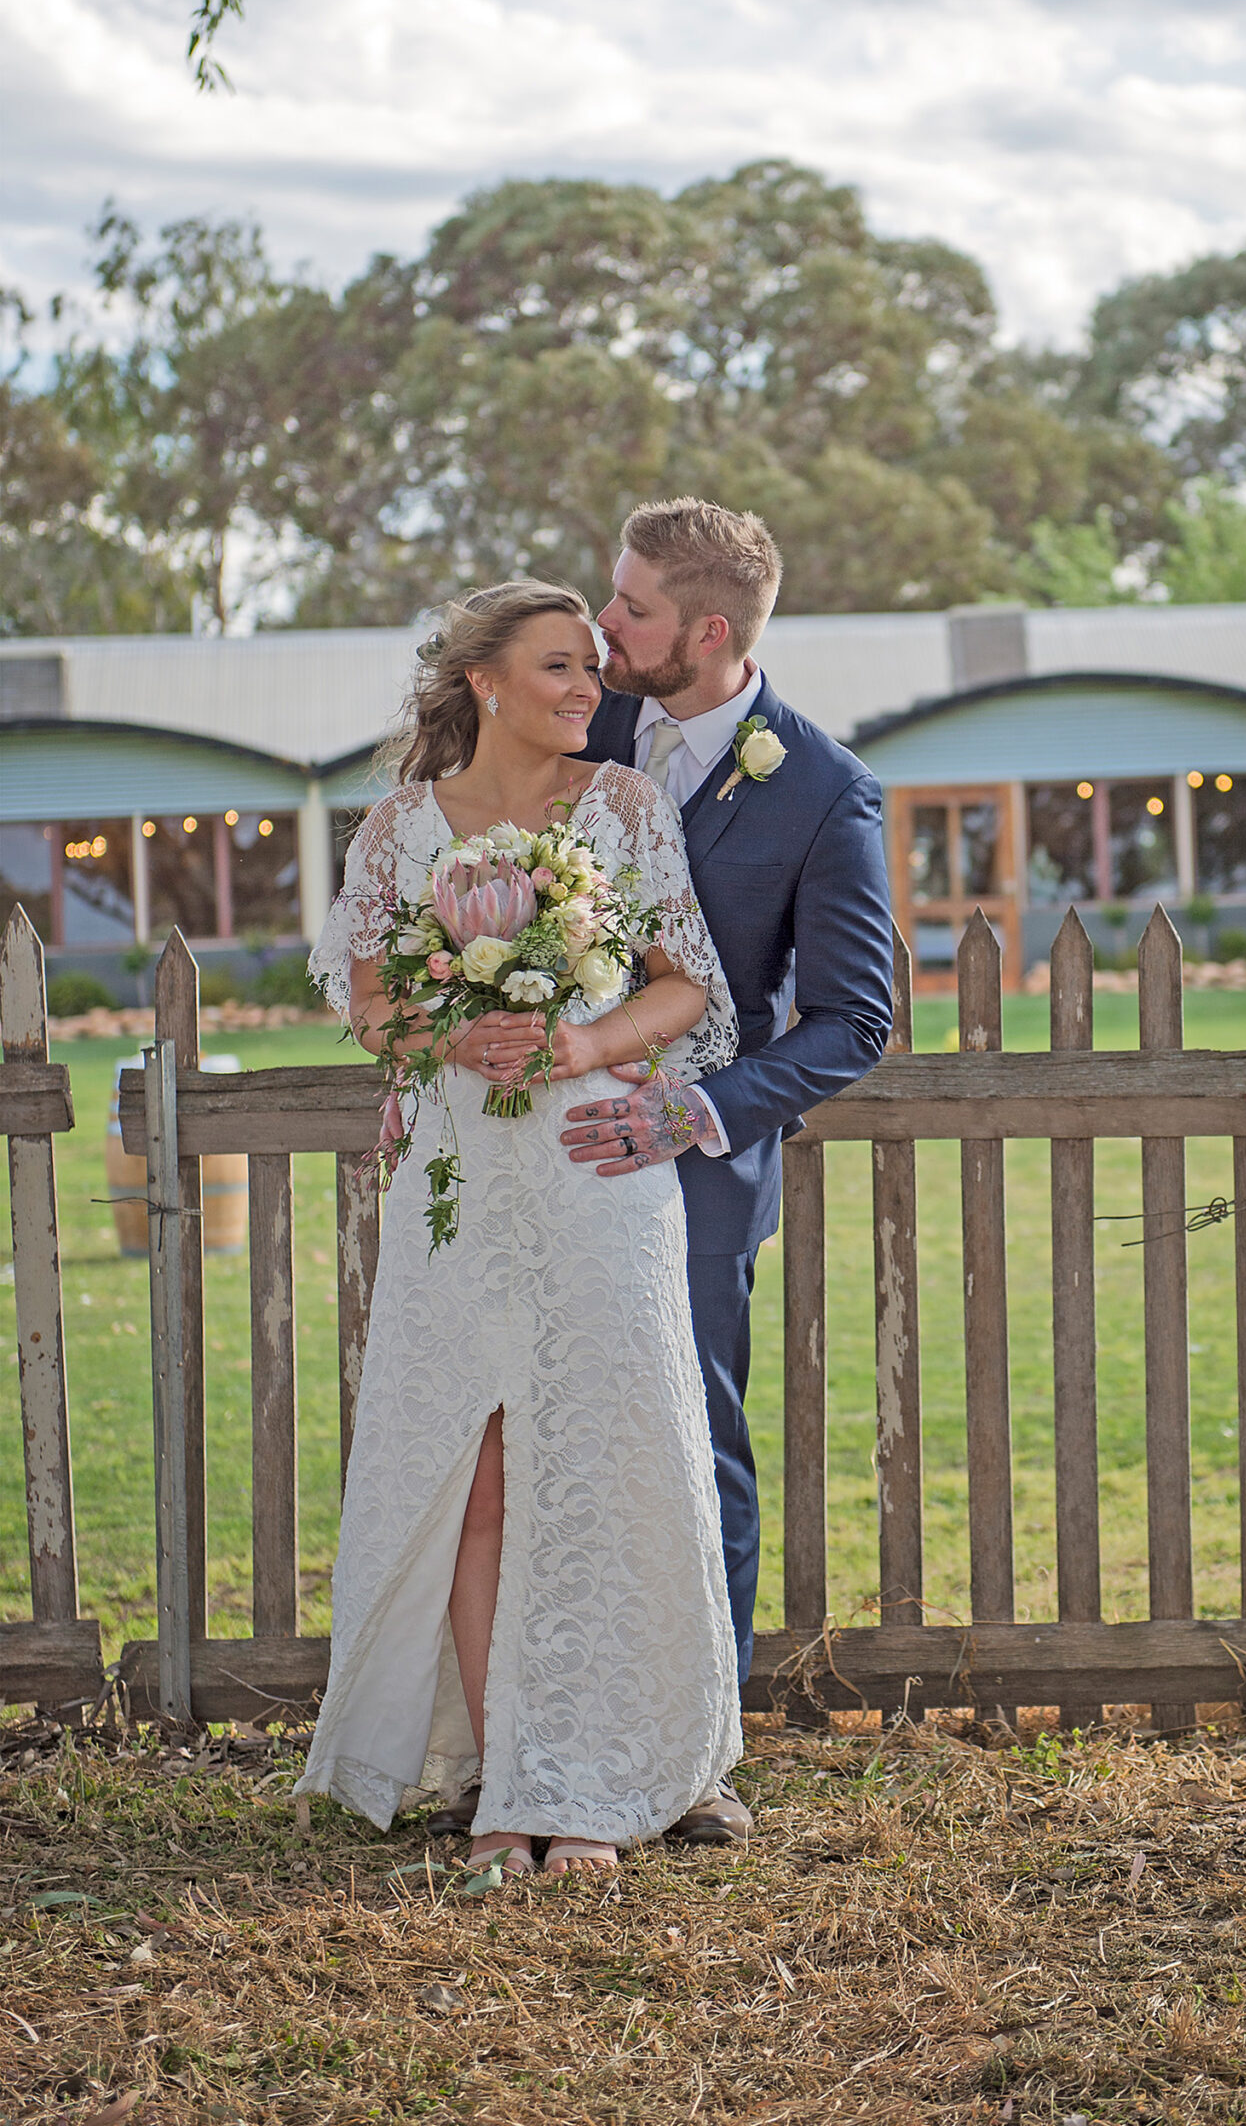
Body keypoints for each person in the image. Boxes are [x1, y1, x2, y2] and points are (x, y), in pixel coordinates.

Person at [296, 580, 742, 1879]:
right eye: (558, 665)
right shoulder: (395, 832)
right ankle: (508, 1783)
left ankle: (593, 1789)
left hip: (595, 1168)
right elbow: (370, 1001)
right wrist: (451, 1029)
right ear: (484, 681)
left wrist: (579, 1039)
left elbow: (686, 988)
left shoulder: (623, 809)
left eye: (594, 667)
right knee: (478, 1468)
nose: (586, 686)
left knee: (603, 1455)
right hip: (459, 1178)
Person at [562, 499, 894, 1844]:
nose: (605, 625)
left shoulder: (823, 790)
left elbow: (852, 1019)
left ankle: (701, 1749)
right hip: (550, 1145)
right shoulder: (571, 724)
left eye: (632, 607)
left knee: (695, 1446)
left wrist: (694, 1111)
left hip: (694, 1174)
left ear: (708, 631)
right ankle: (555, 1720)